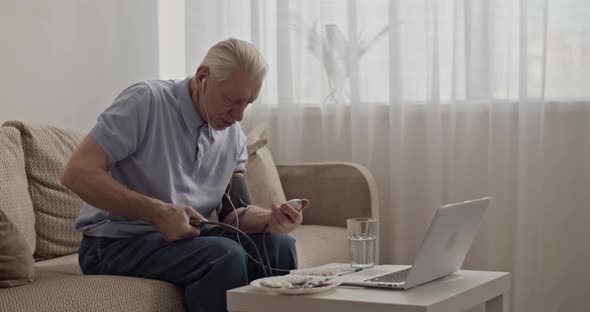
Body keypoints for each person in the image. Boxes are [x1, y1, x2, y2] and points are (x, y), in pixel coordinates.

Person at [61, 38, 310, 312]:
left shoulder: (233, 137)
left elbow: (234, 212)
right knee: (224, 256)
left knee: (279, 246)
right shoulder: (146, 102)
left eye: (249, 102)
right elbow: (77, 173)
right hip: (113, 245)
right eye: (233, 99)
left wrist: (270, 219)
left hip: (182, 243)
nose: (239, 115)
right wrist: (158, 212)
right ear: (203, 76)